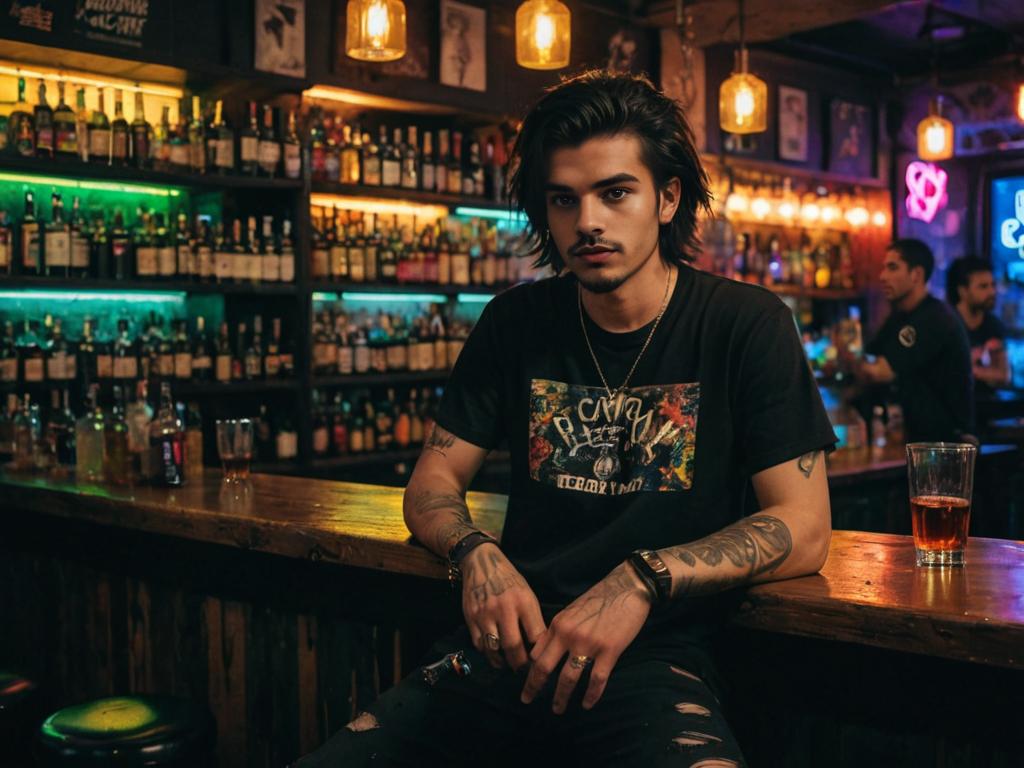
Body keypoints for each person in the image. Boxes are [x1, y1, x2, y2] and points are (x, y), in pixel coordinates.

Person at [294, 70, 836, 768]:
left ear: (667, 198)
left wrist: (642, 579)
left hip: (653, 660)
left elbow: (806, 526)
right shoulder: (517, 323)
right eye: (564, 200)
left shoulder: (744, 325)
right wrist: (474, 552)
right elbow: (432, 480)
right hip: (503, 651)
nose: (588, 222)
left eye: (615, 193)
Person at [855, 239, 974, 442]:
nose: (883, 276)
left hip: (946, 445)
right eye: (883, 268)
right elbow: (870, 358)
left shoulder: (934, 318)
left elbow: (879, 371)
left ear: (916, 275)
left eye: (892, 268)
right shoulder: (899, 317)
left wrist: (850, 359)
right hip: (915, 440)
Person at [947, 255, 1011, 395]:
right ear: (963, 291)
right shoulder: (945, 323)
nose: (991, 292)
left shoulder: (993, 325)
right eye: (983, 286)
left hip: (986, 407)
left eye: (992, 285)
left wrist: (968, 368)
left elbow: (1004, 375)